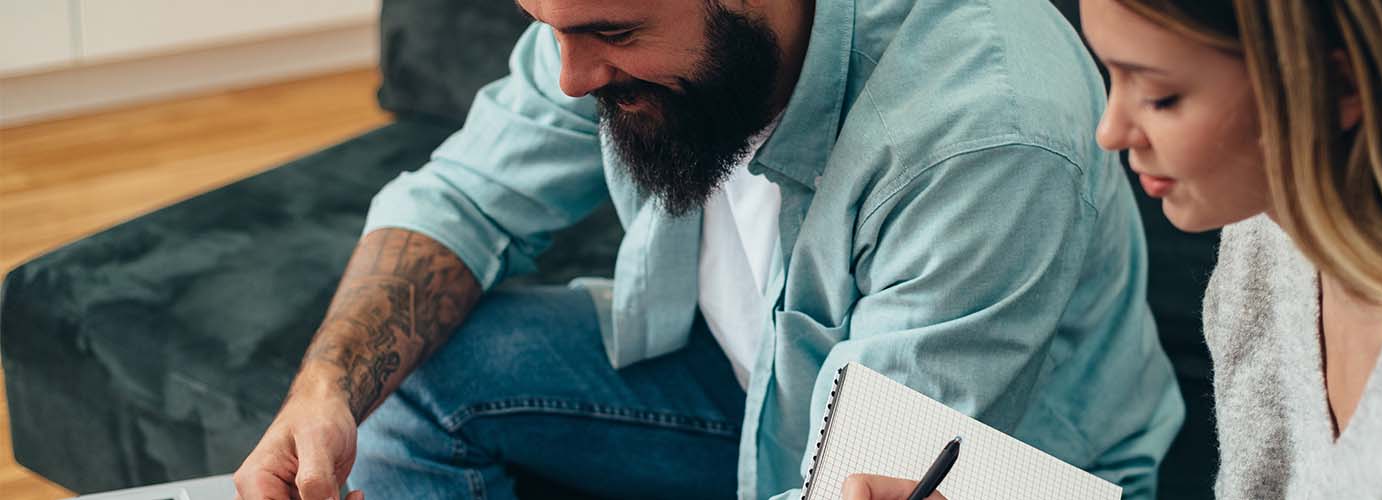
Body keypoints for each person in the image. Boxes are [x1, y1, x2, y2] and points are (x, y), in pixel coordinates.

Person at [231, 0, 1185, 499]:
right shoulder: (608, 37)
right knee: (401, 383)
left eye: (610, 33)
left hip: (976, 473)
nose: (569, 78)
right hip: (756, 386)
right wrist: (325, 390)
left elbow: (871, 478)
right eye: (549, 29)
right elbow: (465, 195)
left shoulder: (984, 130)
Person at [847, 0, 1382, 498]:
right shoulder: (1270, 245)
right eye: (1112, 76)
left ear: (1339, 85)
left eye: (1161, 95)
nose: (1111, 132)